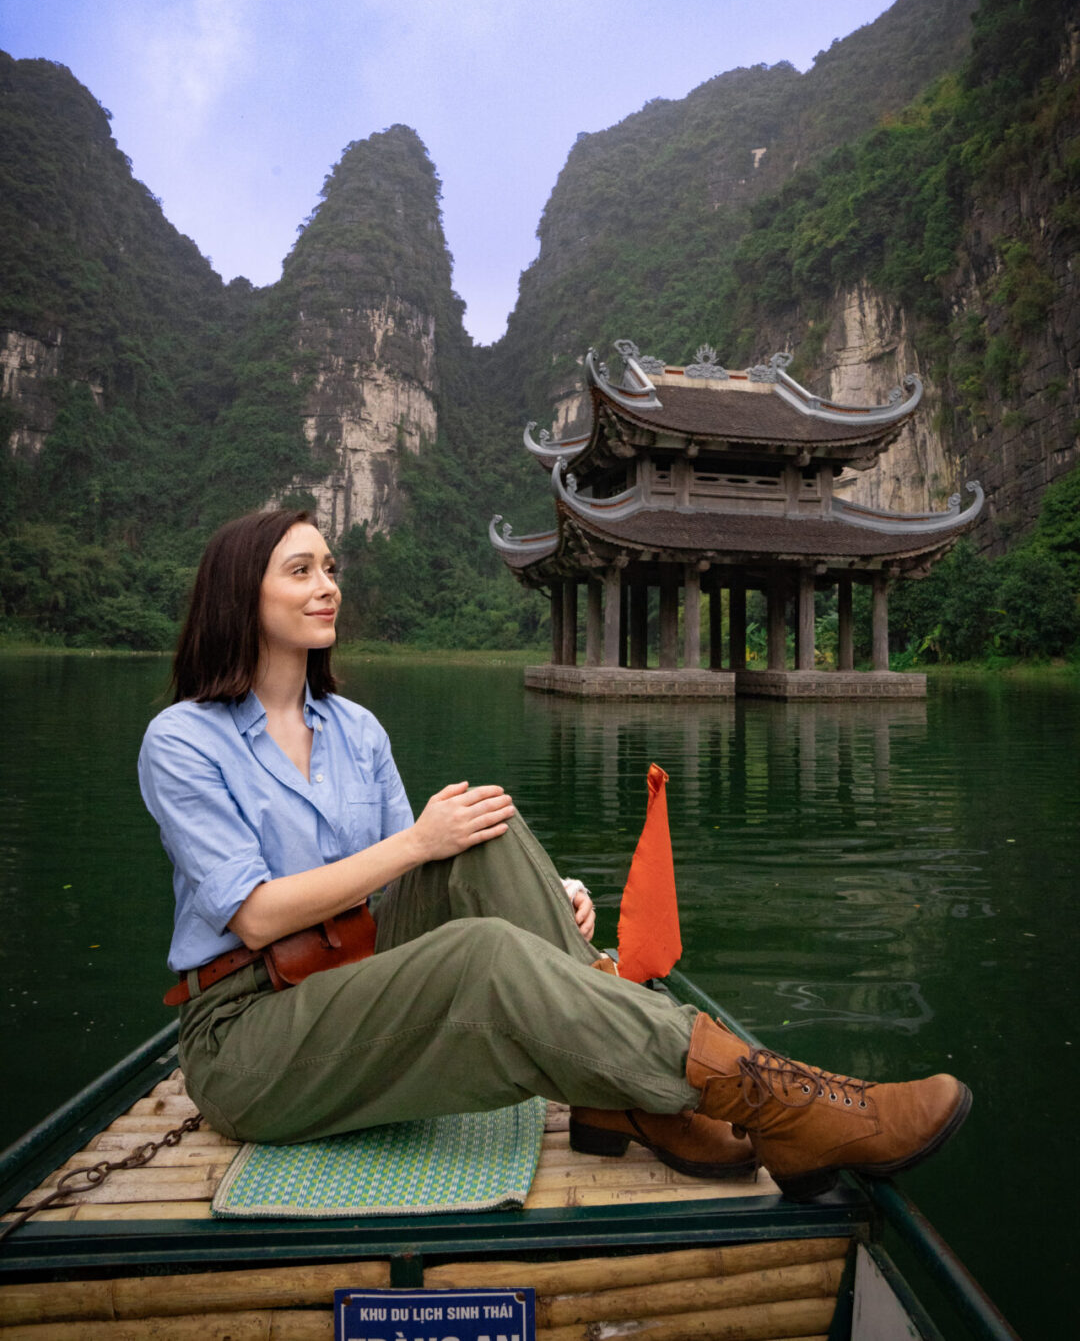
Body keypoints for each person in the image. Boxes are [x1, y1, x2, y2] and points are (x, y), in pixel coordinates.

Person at [139, 508, 972, 1202]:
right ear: (239, 596)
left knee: (482, 831)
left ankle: (621, 1097)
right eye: (300, 571)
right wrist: (423, 844)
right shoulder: (182, 741)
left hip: (353, 971)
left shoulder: (355, 730)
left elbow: (412, 873)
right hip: (250, 1031)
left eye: (330, 566)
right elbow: (254, 914)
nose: (328, 586)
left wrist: (539, 887)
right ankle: (784, 1100)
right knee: (482, 946)